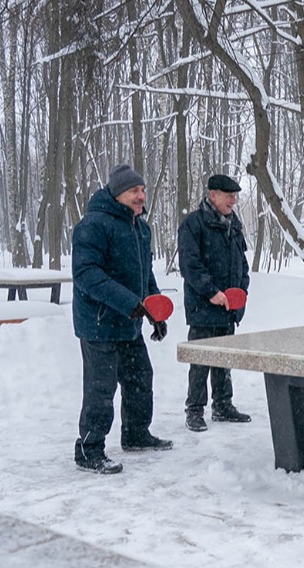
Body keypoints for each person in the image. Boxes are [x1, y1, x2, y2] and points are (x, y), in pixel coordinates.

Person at [72, 164, 173, 474]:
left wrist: (155, 312)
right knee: (101, 390)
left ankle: (136, 434)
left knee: (140, 379)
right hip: (99, 323)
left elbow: (145, 275)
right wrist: (131, 303)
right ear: (117, 194)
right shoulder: (93, 224)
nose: (141, 196)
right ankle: (89, 450)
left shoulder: (141, 228)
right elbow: (86, 274)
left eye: (142, 190)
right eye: (134, 191)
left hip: (130, 323)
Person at [179, 173, 252, 432]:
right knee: (201, 360)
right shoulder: (193, 224)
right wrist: (211, 292)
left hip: (228, 308)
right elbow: (190, 265)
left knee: (224, 358)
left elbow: (242, 264)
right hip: (203, 307)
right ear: (213, 195)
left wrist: (241, 291)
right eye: (229, 195)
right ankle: (194, 410)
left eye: (235, 196)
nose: (233, 200)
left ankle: (222, 405)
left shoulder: (235, 225)